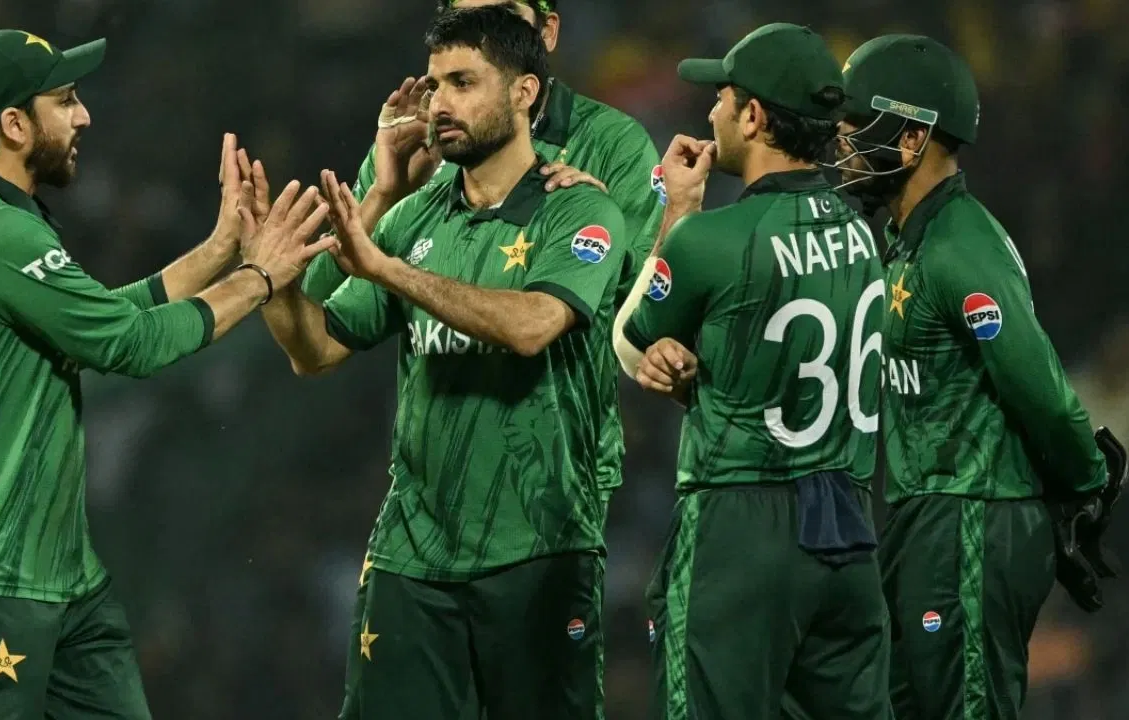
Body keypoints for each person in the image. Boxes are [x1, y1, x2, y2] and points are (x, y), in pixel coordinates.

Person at [0, 29, 332, 719]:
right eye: (65, 100)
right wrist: (259, 278)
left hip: (57, 568)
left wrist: (221, 249)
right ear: (14, 124)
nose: (84, 116)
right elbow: (130, 345)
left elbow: (101, 319)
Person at [260, 6, 624, 717]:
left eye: (463, 82)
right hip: (413, 555)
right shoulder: (413, 218)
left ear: (523, 92)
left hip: (539, 547)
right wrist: (270, 282)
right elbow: (317, 350)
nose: (440, 104)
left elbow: (533, 325)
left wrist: (390, 272)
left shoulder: (578, 211)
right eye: (434, 85)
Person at [832, 34, 1123, 718]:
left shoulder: (960, 246)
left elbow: (1040, 388)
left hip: (971, 519)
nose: (843, 140)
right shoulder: (908, 242)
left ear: (912, 138)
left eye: (860, 123)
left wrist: (1086, 484)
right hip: (928, 518)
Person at [612, 23, 892, 719]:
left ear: (754, 116)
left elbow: (632, 341)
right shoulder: (863, 232)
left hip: (741, 524)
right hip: (850, 525)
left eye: (722, 97)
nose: (711, 111)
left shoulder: (712, 239)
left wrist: (679, 209)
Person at [301, 0, 663, 529]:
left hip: (552, 480)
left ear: (546, 33)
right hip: (430, 481)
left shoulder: (612, 145)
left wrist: (586, 222)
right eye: (463, 14)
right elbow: (314, 304)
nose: (479, 28)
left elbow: (637, 310)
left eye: (502, 14)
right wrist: (383, 194)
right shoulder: (427, 138)